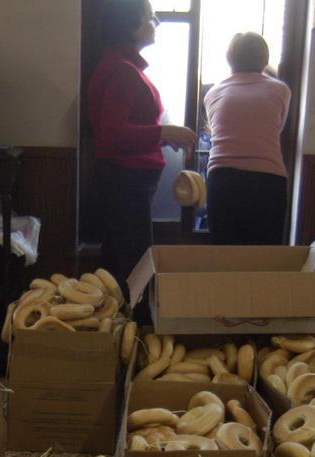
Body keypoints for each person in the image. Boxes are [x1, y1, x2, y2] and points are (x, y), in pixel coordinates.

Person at [88, 0, 196, 291]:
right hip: (126, 181)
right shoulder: (123, 70)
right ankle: (140, 332)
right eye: (150, 16)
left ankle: (112, 331)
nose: (156, 22)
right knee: (136, 270)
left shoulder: (120, 65)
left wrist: (162, 136)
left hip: (125, 179)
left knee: (116, 266)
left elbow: (124, 130)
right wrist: (163, 131)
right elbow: (113, 134)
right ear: (130, 25)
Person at [203, 32, 291, 245]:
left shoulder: (212, 93)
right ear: (264, 58)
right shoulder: (281, 90)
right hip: (268, 180)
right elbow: (276, 128)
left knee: (224, 252)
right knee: (264, 254)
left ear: (230, 58)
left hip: (222, 179)